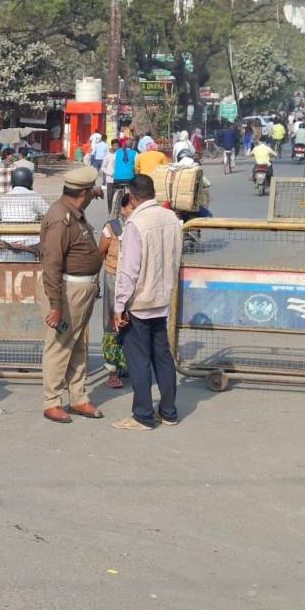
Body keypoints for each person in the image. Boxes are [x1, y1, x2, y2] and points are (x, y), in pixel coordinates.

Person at [112, 174, 182, 431]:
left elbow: (129, 270)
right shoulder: (171, 217)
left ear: (132, 196)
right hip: (162, 298)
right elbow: (176, 257)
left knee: (139, 360)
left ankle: (142, 415)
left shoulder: (136, 223)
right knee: (162, 356)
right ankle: (168, 412)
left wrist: (119, 306)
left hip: (140, 301)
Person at [37, 167, 104, 424]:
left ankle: (78, 397)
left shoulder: (73, 210)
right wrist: (56, 305)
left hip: (80, 290)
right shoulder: (60, 218)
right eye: (91, 192)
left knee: (77, 345)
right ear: (83, 193)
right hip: (66, 291)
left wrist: (95, 192)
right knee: (59, 346)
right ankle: (52, 402)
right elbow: (51, 264)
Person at [99, 195, 131, 389]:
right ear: (122, 209)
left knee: (130, 323)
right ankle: (112, 371)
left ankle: (126, 364)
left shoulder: (141, 227)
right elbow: (100, 252)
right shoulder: (111, 228)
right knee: (112, 325)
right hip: (113, 279)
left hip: (134, 281)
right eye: (131, 207)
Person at [0, 166, 49, 257]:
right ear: (29, 180)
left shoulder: (4, 197)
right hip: (28, 241)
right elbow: (49, 213)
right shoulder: (33, 196)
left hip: (7, 240)